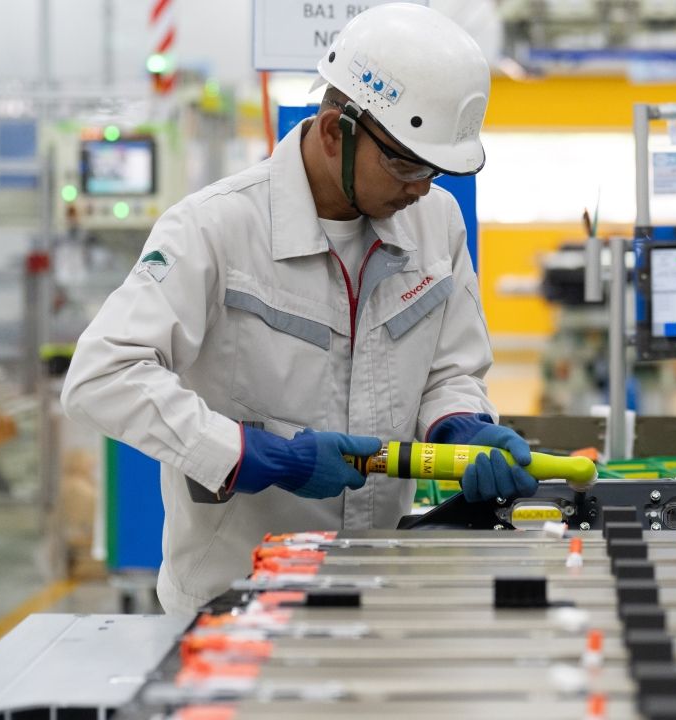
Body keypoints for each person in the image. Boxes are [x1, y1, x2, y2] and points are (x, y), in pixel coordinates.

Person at [61, 3, 535, 616]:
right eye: (406, 163)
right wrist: (246, 454)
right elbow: (101, 377)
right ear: (336, 131)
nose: (422, 186)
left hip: (380, 590)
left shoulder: (435, 223)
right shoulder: (214, 228)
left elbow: (450, 370)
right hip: (238, 600)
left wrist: (459, 423)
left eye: (435, 168)